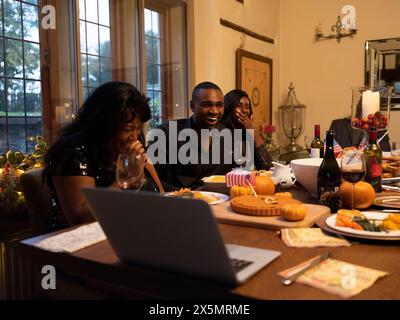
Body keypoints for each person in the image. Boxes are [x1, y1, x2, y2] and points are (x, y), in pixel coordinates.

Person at [43, 81, 164, 230]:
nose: (134, 136)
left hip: (136, 231)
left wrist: (140, 164)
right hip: (86, 242)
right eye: (128, 129)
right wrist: (127, 179)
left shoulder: (128, 149)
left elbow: (161, 195)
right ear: (103, 125)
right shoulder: (72, 154)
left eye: (138, 128)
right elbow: (80, 217)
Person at [149, 81, 233, 191]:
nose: (214, 111)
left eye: (219, 105)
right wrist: (183, 194)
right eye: (207, 105)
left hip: (217, 202)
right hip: (177, 202)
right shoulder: (167, 133)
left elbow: (229, 176)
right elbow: (151, 179)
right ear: (192, 106)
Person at [220, 89, 273, 170]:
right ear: (229, 108)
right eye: (239, 106)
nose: (244, 110)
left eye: (247, 107)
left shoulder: (248, 134)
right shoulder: (220, 132)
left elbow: (268, 168)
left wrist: (254, 133)